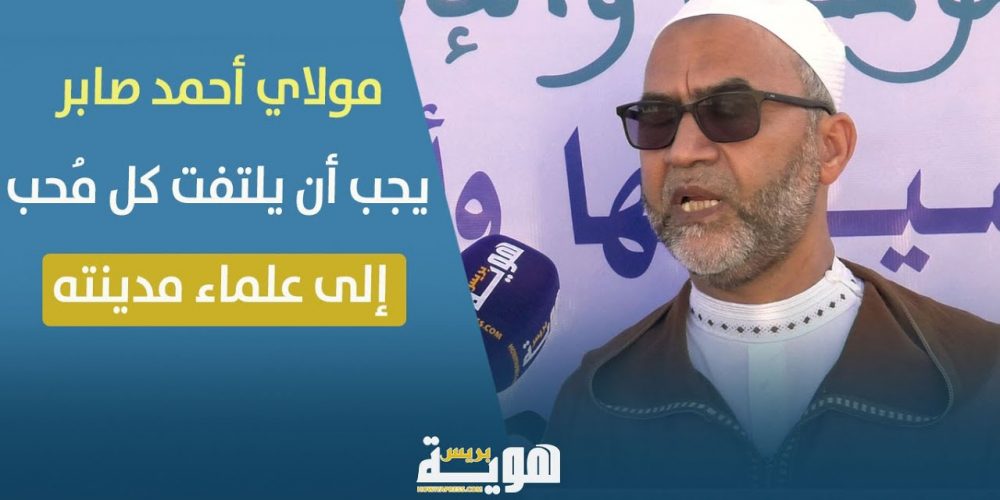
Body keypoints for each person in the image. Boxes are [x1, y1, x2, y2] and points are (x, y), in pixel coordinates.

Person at [545, 0, 1000, 489]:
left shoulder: (979, 380)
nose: (682, 151)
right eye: (657, 118)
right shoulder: (597, 403)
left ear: (829, 148)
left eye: (728, 111)